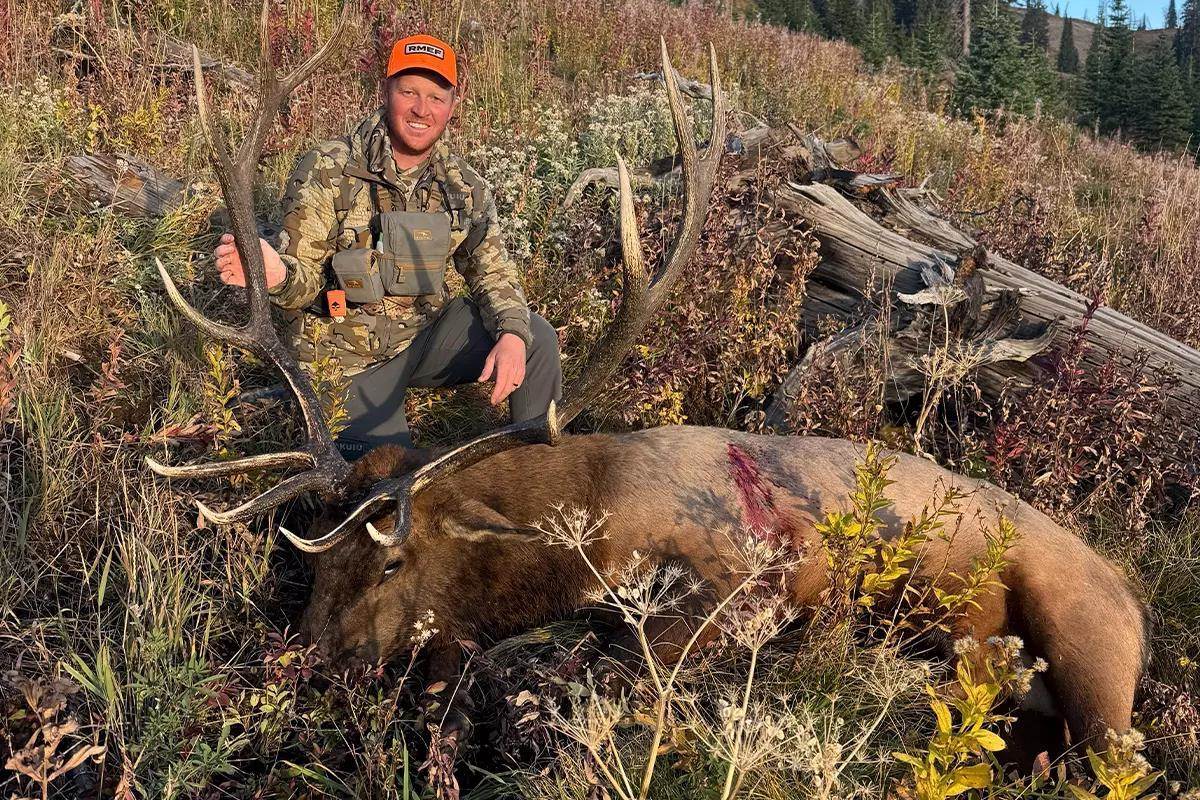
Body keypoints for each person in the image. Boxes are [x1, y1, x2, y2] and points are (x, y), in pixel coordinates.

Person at [212, 34, 561, 458]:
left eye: (436, 96)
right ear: (386, 90)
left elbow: (493, 272)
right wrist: (276, 275)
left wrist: (510, 334)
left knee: (534, 337)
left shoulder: (464, 186)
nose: (421, 109)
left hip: (423, 337)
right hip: (342, 357)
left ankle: (539, 473)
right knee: (389, 486)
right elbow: (299, 284)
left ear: (453, 104)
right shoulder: (327, 167)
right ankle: (297, 400)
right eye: (409, 91)